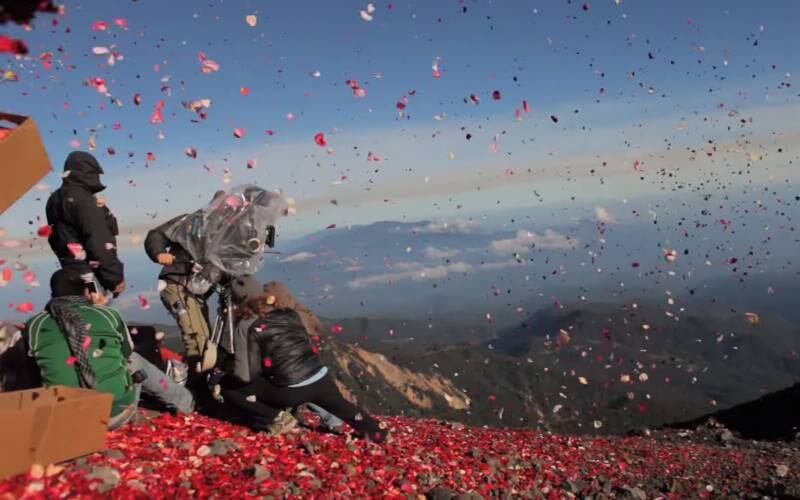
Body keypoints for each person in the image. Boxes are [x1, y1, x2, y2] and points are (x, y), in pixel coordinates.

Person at [217, 275, 386, 441]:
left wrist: (223, 367)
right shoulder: (288, 312)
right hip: (321, 378)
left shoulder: (246, 325)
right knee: (344, 407)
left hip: (290, 391)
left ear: (238, 301)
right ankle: (375, 431)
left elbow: (245, 375)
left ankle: (275, 417)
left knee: (229, 387)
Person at [21, 269, 193, 428]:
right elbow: (126, 352)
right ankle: (185, 403)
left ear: (53, 293)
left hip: (64, 418)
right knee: (134, 360)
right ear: (87, 291)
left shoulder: (35, 324)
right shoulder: (106, 314)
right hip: (114, 413)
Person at [144, 191, 226, 369]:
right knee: (197, 337)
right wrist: (159, 253)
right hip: (177, 282)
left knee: (207, 337)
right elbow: (156, 235)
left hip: (196, 289)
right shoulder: (192, 221)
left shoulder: (228, 233)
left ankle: (206, 376)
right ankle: (199, 384)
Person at [45, 151, 126, 296]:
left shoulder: (53, 200)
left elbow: (58, 238)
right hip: (91, 278)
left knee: (75, 314)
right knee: (96, 313)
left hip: (70, 275)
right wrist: (115, 278)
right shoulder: (85, 201)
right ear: (88, 172)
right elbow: (98, 242)